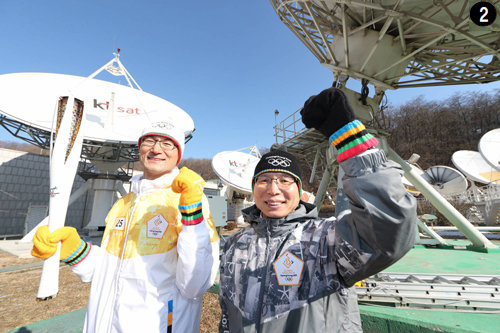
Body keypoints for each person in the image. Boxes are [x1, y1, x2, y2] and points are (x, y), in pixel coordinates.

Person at [218, 87, 417, 332]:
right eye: (264, 180)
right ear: (254, 187)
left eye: (284, 180)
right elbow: (227, 312)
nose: (273, 189)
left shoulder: (327, 239)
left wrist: (351, 140)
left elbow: (390, 227)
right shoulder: (235, 244)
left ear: (300, 191)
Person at [31, 121, 220, 333]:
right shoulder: (125, 202)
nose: (156, 149)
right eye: (150, 140)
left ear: (179, 154)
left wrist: (192, 214)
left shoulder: (188, 199)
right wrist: (74, 250)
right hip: (103, 323)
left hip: (157, 323)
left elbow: (195, 285)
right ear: (140, 148)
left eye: (168, 144)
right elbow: (110, 268)